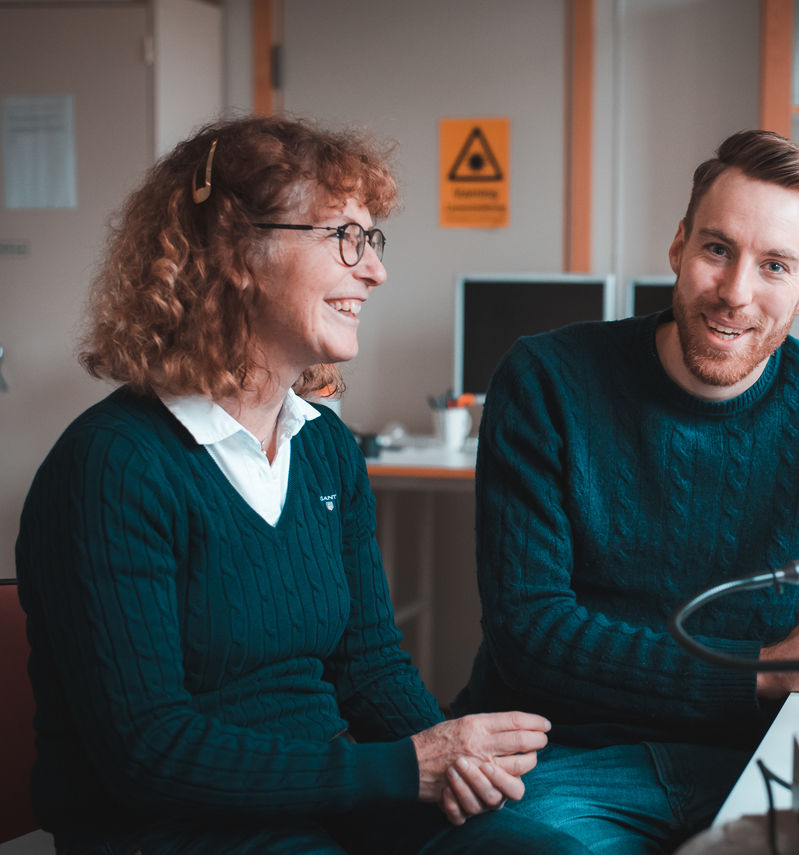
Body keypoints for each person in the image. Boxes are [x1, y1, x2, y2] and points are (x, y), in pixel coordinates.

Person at [15, 115, 588, 855]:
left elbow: (369, 663)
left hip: (325, 803)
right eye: (343, 237)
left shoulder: (325, 451)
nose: (375, 270)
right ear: (235, 253)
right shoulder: (111, 467)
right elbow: (148, 753)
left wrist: (453, 758)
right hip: (169, 831)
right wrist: (405, 766)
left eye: (371, 240)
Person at [451, 129, 799, 853]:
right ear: (678, 246)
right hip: (570, 760)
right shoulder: (545, 380)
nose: (735, 293)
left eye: (775, 265)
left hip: (762, 753)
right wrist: (763, 670)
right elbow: (532, 632)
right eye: (717, 249)